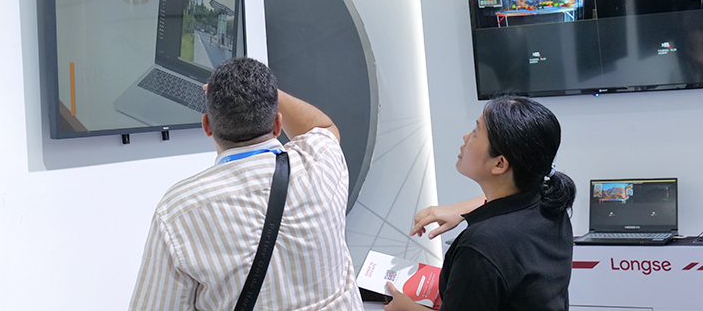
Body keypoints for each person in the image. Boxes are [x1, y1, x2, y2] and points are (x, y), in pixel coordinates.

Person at [129, 57, 362, 311]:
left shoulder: (179, 212)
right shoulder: (321, 162)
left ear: (207, 126)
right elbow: (322, 127)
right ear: (277, 124)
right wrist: (264, 93)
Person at [386, 96, 576, 311]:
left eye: (475, 132)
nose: (466, 137)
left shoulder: (482, 245)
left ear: (499, 163)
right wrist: (459, 209)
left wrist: (406, 308)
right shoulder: (551, 203)